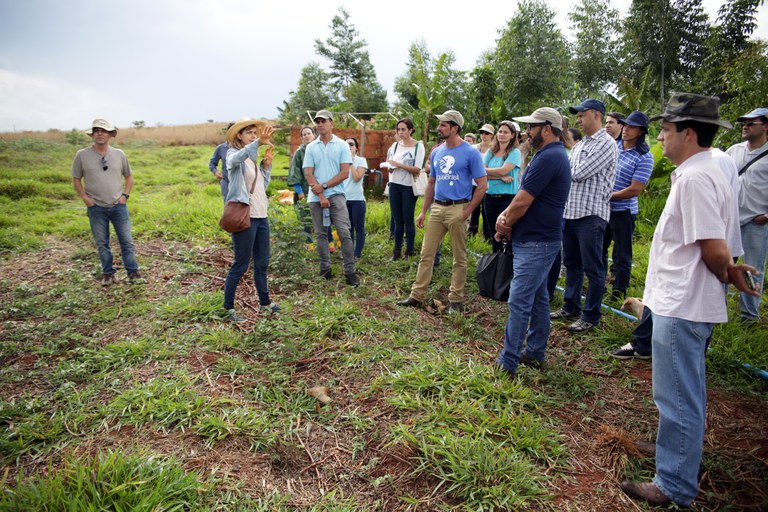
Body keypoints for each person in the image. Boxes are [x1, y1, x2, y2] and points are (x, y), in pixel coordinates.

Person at [620, 92, 760, 508]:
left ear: (689, 133)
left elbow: (713, 247)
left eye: (666, 130)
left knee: (678, 395)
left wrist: (726, 272)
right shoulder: (706, 170)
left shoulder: (697, 177)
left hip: (683, 302)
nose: (661, 137)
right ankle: (673, 453)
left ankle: (674, 484)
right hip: (683, 299)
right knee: (681, 391)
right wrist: (727, 272)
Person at [494, 107, 571, 378]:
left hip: (537, 242)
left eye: (531, 127)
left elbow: (523, 200)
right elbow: (524, 197)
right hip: (539, 239)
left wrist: (504, 222)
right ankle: (535, 351)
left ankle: (508, 363)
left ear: (547, 128)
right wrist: (509, 219)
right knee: (538, 299)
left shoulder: (549, 158)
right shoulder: (550, 155)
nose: (526, 132)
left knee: (519, 301)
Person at [397, 110, 487, 313]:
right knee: (426, 254)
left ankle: (455, 300)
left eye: (444, 125)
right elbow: (431, 182)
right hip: (437, 208)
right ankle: (416, 296)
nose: (439, 128)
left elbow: (482, 185)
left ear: (455, 128)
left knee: (459, 257)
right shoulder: (437, 151)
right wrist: (423, 211)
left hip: (459, 208)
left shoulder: (471, 152)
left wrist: (468, 211)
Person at [551, 99, 618, 332]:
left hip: (591, 215)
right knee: (571, 263)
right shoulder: (580, 145)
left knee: (593, 267)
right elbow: (570, 171)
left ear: (596, 115)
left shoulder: (606, 144)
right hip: (572, 212)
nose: (578, 120)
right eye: (577, 116)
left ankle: (591, 316)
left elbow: (578, 173)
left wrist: (559, 169)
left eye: (582, 115)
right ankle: (571, 307)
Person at [71, 119, 140, 286]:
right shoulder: (82, 155)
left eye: (103, 130)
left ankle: (133, 273)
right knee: (102, 243)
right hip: (96, 208)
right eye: (96, 130)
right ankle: (108, 274)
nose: (99, 133)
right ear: (92, 134)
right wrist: (86, 199)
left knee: (126, 241)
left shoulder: (119, 154)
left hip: (118, 206)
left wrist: (125, 196)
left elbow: (129, 176)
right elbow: (76, 179)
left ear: (110, 135)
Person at [222, 119, 278, 322]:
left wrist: (266, 166)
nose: (255, 136)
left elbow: (261, 186)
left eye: (256, 133)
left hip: (261, 216)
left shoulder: (251, 160)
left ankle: (264, 303)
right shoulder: (232, 156)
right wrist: (258, 144)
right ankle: (228, 309)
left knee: (262, 264)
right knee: (240, 265)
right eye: (250, 133)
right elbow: (236, 158)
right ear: (239, 135)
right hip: (246, 218)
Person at [303, 109, 359, 286]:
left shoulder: (342, 145)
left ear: (331, 123)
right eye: (318, 122)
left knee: (344, 232)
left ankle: (350, 271)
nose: (320, 124)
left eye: (324, 121)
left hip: (336, 195)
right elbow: (308, 173)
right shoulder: (311, 147)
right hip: (315, 197)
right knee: (320, 234)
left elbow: (344, 173)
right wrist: (319, 194)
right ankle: (325, 269)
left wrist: (325, 187)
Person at [602, 111, 654, 301]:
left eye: (631, 127)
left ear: (641, 131)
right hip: (603, 208)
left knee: (622, 255)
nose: (625, 129)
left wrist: (606, 196)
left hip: (623, 211)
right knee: (600, 249)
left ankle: (618, 293)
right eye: (625, 125)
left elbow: (634, 190)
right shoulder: (613, 146)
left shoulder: (644, 157)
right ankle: (599, 287)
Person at [727, 107, 768, 323]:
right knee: (725, 265)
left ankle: (749, 316)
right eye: (744, 122)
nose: (745, 126)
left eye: (751, 123)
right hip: (731, 220)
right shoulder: (734, 151)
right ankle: (716, 309)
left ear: (766, 126)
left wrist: (766, 216)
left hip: (755, 222)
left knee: (752, 269)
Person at [386, 118, 426, 260]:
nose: (400, 132)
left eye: (403, 129)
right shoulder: (395, 146)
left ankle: (409, 251)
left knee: (408, 220)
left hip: (409, 187)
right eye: (398, 129)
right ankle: (396, 252)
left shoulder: (418, 146)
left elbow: (417, 169)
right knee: (397, 221)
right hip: (394, 185)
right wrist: (390, 167)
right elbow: (392, 165)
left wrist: (399, 164)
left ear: (410, 130)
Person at [482, 120, 522, 253]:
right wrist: (500, 177)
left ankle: (508, 266)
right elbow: (480, 171)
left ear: (512, 135)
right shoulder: (490, 152)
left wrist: (497, 174)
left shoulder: (515, 153)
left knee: (506, 233)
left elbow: (504, 170)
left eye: (506, 132)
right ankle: (496, 265)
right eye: (500, 131)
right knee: (493, 233)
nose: (502, 134)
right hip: (489, 198)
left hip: (507, 199)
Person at [287, 125, 317, 244]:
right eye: (304, 134)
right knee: (306, 218)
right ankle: (308, 243)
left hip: (321, 189)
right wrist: (299, 192)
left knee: (324, 217)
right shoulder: (299, 153)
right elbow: (295, 173)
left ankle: (328, 242)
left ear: (314, 135)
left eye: (308, 133)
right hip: (305, 190)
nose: (306, 136)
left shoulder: (319, 149)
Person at [344, 137, 368, 260]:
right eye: (346, 144)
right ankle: (349, 253)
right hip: (344, 199)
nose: (349, 147)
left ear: (356, 148)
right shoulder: (340, 161)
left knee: (359, 227)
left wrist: (350, 161)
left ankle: (357, 253)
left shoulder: (361, 160)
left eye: (351, 144)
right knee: (348, 228)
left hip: (357, 200)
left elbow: (357, 177)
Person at [471, 123, 495, 237]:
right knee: (473, 209)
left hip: (488, 183)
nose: (484, 135)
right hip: (473, 183)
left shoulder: (494, 150)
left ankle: (488, 236)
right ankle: (472, 233)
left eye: (487, 133)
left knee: (486, 211)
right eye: (482, 133)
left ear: (492, 135)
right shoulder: (474, 148)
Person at [209, 124, 233, 200]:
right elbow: (212, 163)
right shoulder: (221, 148)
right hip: (226, 183)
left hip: (242, 184)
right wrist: (215, 172)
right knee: (228, 207)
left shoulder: (244, 149)